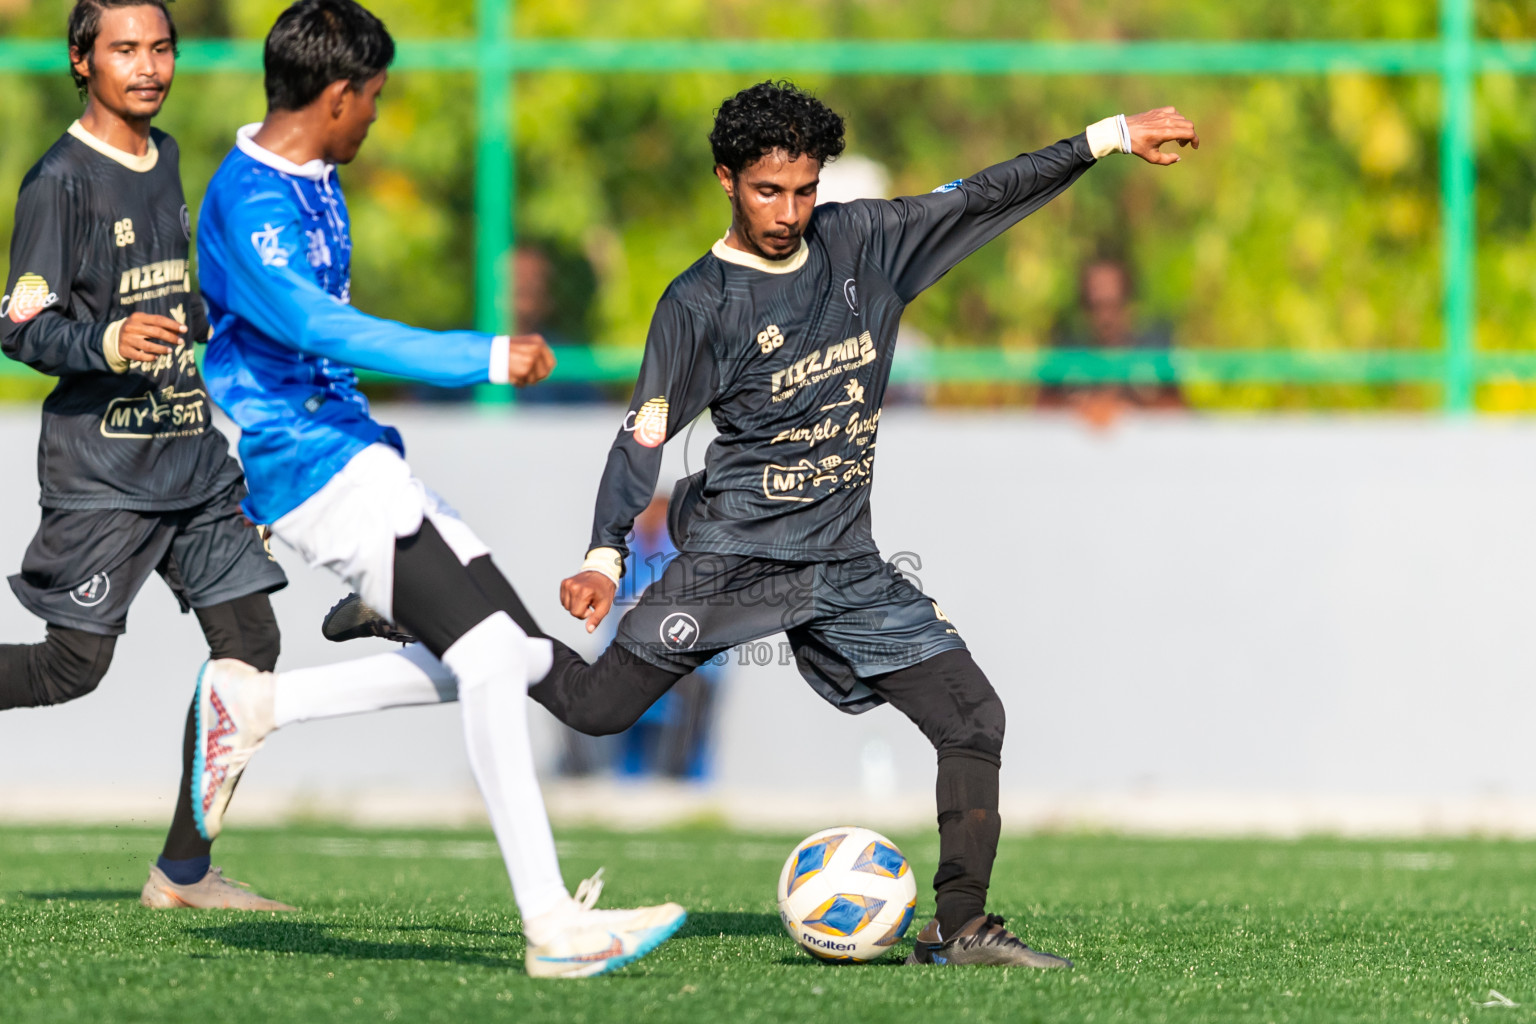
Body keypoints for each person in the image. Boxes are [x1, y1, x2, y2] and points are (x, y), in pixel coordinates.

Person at [541, 82, 1199, 968]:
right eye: (769, 190)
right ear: (726, 180)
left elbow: (985, 192)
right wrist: (604, 555)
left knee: (974, 717)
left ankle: (959, 926)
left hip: (846, 565)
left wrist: (1108, 136)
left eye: (805, 189)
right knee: (594, 709)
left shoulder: (865, 246)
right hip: (735, 556)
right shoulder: (697, 303)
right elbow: (643, 432)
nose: (789, 211)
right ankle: (447, 616)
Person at [186, 0, 683, 978]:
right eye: (372, 98)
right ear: (336, 97)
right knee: (498, 652)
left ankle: (259, 705)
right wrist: (482, 353)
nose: (377, 114)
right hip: (307, 467)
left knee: (515, 657)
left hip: (357, 451)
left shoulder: (314, 172)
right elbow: (321, 328)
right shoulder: (251, 204)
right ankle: (552, 924)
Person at [0, 0, 291, 911]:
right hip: (105, 476)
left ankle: (183, 872)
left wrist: (217, 312)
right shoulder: (59, 182)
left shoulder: (166, 157)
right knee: (69, 669)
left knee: (252, 642)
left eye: (160, 47)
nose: (149, 66)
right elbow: (20, 326)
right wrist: (104, 343)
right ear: (82, 62)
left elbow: (175, 301)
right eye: (125, 50)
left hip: (192, 460)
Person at [1038, 255, 1182, 423]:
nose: (1106, 318)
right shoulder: (1066, 354)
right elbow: (1040, 412)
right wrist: (1078, 409)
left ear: (1129, 304)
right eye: (1096, 306)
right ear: (1084, 309)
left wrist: (1130, 410)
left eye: (1113, 305)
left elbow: (1179, 411)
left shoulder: (1153, 353)